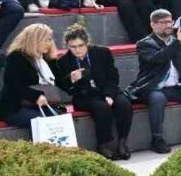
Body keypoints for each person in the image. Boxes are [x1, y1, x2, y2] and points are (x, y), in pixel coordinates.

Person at [127, 10, 181, 154]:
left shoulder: (177, 42)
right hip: (153, 87)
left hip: (175, 88)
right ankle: (157, 139)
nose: (169, 25)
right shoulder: (145, 44)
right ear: (153, 25)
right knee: (158, 98)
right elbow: (158, 59)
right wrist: (178, 42)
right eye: (163, 22)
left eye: (170, 22)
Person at [56, 25, 133, 160]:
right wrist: (72, 79)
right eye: (73, 47)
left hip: (107, 90)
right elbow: (64, 87)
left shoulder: (102, 53)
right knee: (102, 107)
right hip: (85, 96)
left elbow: (113, 77)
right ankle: (103, 144)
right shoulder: (64, 61)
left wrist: (109, 94)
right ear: (67, 46)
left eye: (80, 45)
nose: (77, 50)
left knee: (124, 104)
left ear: (87, 43)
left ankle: (122, 142)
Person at [0, 24, 62, 131]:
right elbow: (13, 85)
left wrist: (53, 60)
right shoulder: (16, 57)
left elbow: (59, 80)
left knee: (57, 118)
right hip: (15, 107)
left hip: (38, 105)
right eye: (46, 40)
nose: (49, 44)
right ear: (35, 40)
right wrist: (36, 96)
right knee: (40, 121)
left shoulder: (45, 58)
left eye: (50, 40)